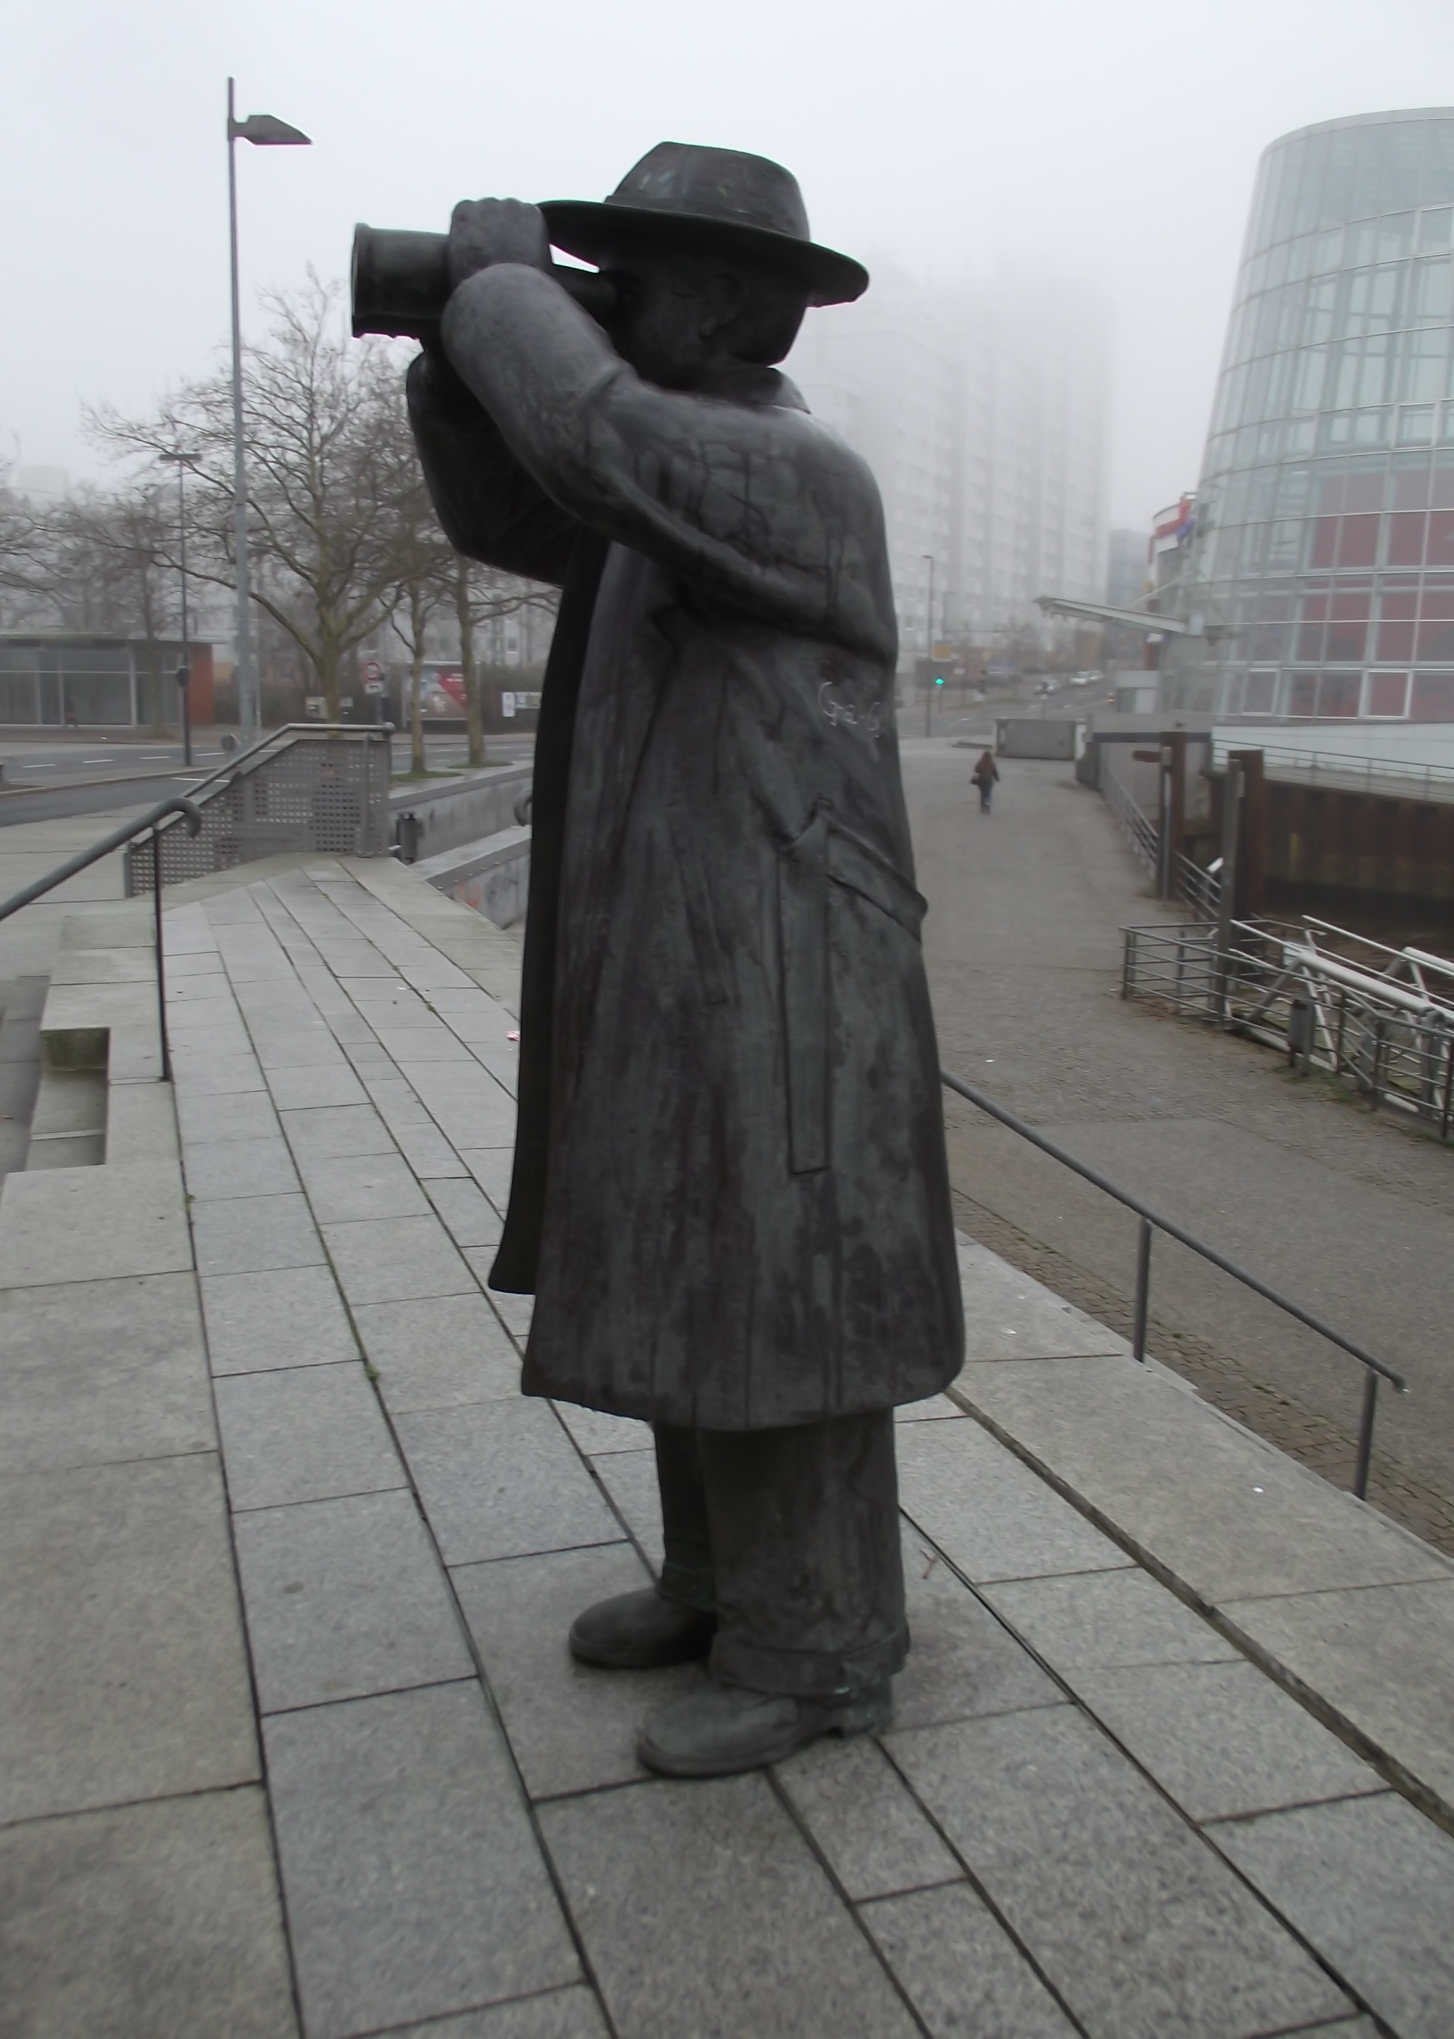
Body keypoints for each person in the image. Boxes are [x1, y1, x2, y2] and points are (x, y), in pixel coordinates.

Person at [405, 143, 963, 1778]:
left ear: (732, 303)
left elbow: (580, 435)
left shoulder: (794, 478)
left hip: (791, 983)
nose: (610, 298)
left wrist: (498, 287)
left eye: (633, 273)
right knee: (688, 1274)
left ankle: (822, 1648)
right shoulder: (668, 484)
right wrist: (454, 353)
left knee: (779, 1302)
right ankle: (719, 1584)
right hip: (687, 952)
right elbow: (513, 487)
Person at [971, 748, 1000, 812]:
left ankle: (982, 807)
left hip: (982, 779)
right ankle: (987, 805)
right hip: (989, 780)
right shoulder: (992, 763)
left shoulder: (980, 762)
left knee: (982, 794)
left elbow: (976, 770)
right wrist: (997, 778)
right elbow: (995, 772)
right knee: (988, 793)